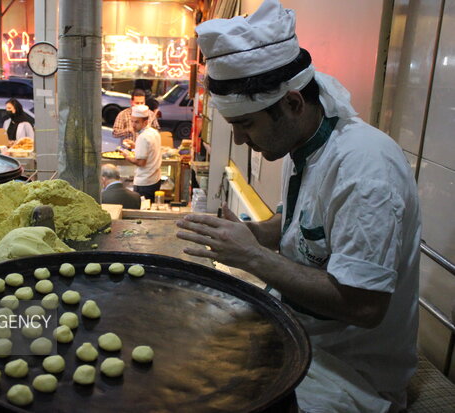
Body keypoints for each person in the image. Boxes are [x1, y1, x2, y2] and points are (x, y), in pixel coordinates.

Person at [176, 1, 421, 412]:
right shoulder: (305, 142)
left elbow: (365, 305)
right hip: (295, 330)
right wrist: (253, 234)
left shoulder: (365, 172)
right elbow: (298, 226)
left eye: (247, 125)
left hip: (345, 369)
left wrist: (252, 257)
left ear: (291, 103)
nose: (239, 141)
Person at [120, 105, 162, 202]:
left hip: (144, 183)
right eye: (132, 121)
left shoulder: (142, 137)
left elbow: (140, 162)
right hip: (155, 180)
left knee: (143, 208)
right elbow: (150, 149)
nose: (133, 125)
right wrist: (135, 146)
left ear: (145, 122)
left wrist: (126, 156)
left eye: (137, 122)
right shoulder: (154, 132)